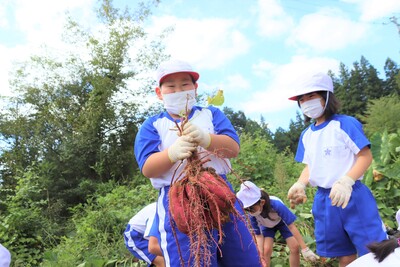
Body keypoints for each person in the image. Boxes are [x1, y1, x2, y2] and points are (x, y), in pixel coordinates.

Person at [134, 59, 262, 267]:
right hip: (178, 196)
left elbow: (233, 148)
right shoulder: (153, 125)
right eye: (171, 86)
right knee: (193, 259)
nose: (178, 90)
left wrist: (207, 139)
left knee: (243, 256)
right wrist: (171, 154)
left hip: (219, 191)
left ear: (195, 88)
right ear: (159, 93)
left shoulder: (211, 114)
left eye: (185, 84)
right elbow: (148, 167)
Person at [286, 72, 387, 266]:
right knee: (343, 254)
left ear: (326, 96)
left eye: (311, 96)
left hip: (352, 195)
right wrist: (301, 183)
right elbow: (310, 165)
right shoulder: (306, 135)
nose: (306, 102)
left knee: (374, 250)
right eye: (302, 99)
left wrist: (347, 181)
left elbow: (365, 156)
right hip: (324, 200)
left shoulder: (345, 123)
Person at [236, 180, 318, 267]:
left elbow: (291, 227)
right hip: (267, 226)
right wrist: (260, 255)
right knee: (266, 250)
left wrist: (305, 249)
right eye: (247, 209)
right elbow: (258, 236)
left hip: (282, 223)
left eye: (251, 208)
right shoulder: (252, 214)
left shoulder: (276, 205)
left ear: (262, 202)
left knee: (295, 247)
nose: (250, 212)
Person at [123, 202, 165, 267]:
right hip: (136, 236)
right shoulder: (157, 212)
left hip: (153, 236)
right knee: (162, 262)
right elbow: (152, 246)